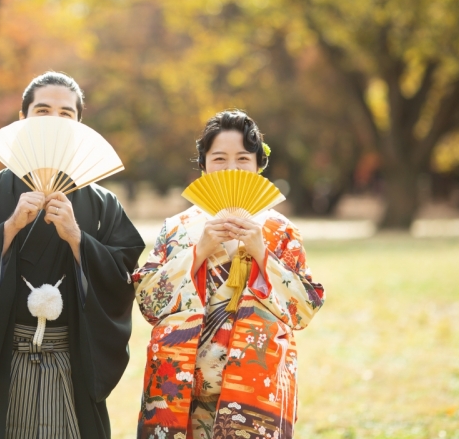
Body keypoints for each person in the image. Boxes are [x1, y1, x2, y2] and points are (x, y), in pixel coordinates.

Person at [0, 71, 145, 439]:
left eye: (65, 114)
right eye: (42, 111)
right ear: (23, 120)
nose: (53, 122)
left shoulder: (102, 205)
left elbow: (123, 279)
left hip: (70, 362)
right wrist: (7, 230)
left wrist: (78, 240)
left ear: (79, 126)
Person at [132, 110, 325, 439]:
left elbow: (303, 310)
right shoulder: (177, 229)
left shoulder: (281, 232)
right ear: (204, 164)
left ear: (258, 166)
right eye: (219, 158)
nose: (231, 169)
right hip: (179, 384)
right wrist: (200, 249)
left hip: (254, 385)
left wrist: (262, 251)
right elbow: (149, 303)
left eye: (242, 159)